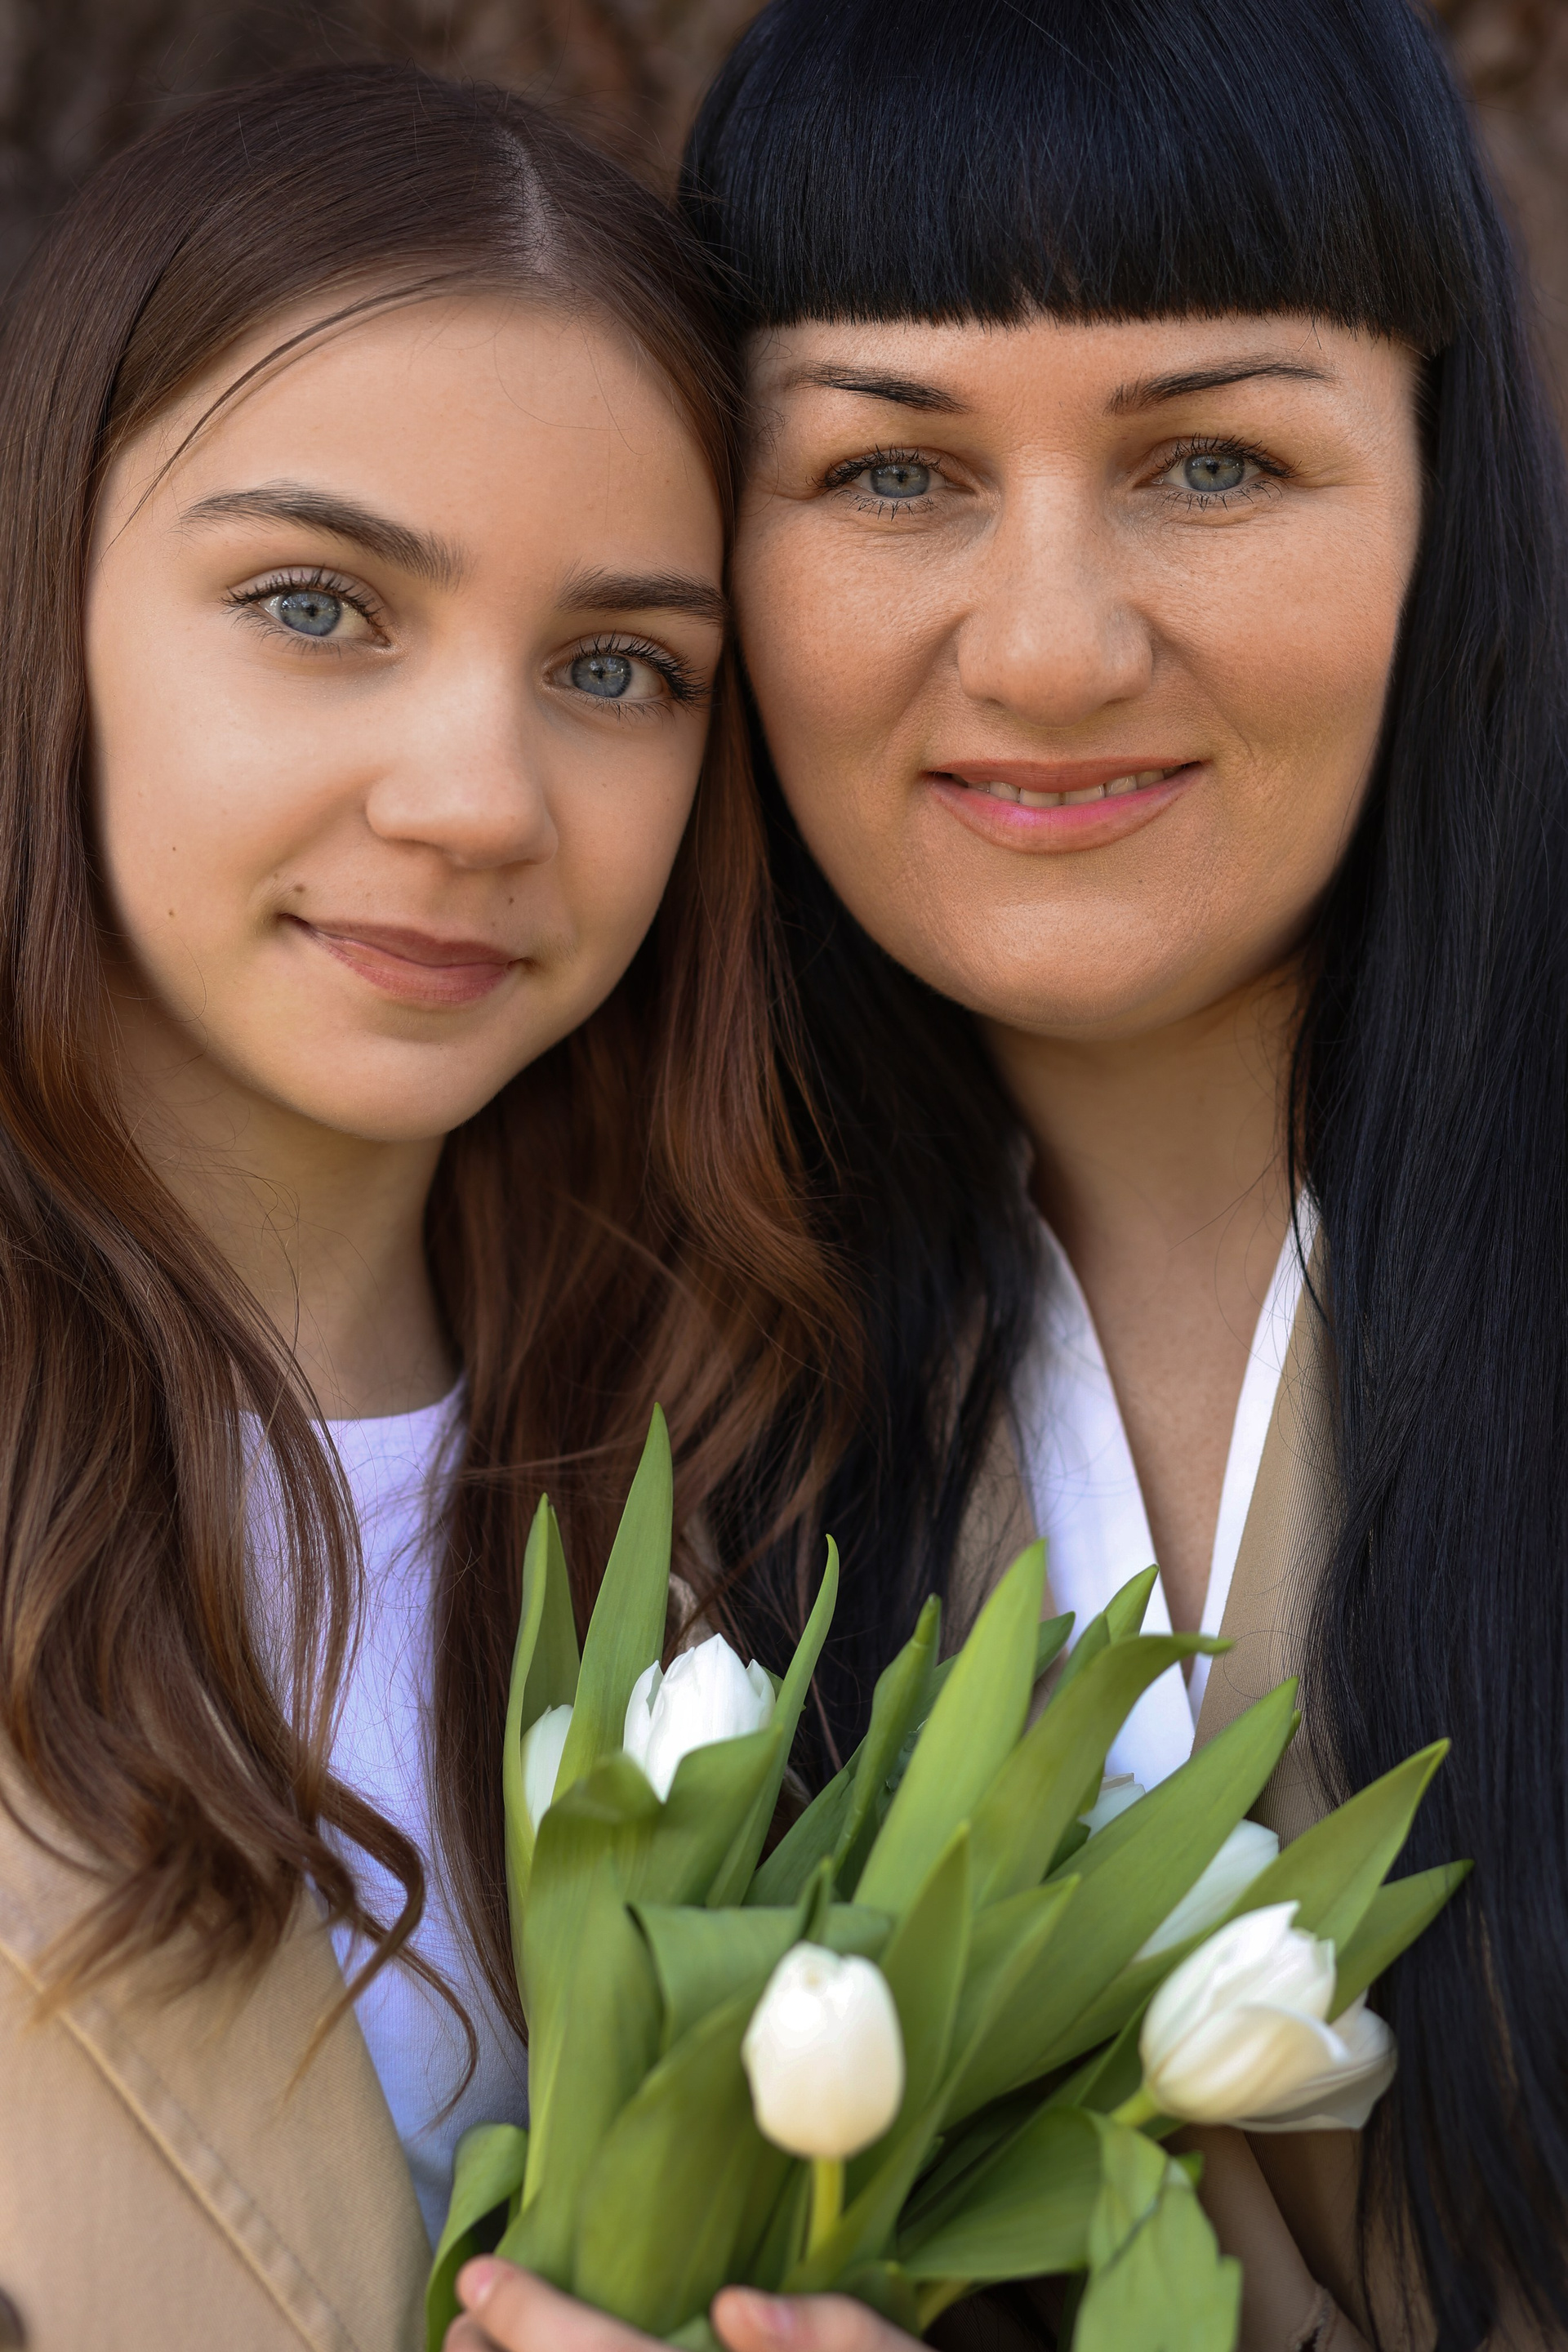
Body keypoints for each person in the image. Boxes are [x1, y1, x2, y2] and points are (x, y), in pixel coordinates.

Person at [448, 2, 1568, 2350]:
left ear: (1446, 495)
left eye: (1215, 461)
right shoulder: (590, 1362)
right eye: (891, 472)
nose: (1053, 649)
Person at [0, 64, 856, 2352]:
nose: (483, 800)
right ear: (45, 614)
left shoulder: (778, 1489)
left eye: (615, 670)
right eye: (318, 603)